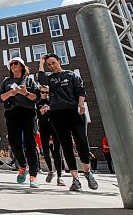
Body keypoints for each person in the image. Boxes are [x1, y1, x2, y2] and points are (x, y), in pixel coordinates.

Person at [38, 53, 99, 191]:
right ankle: (75, 179)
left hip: (74, 112)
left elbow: (80, 90)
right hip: (57, 115)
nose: (51, 66)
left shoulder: (70, 75)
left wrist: (81, 104)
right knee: (66, 146)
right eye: (49, 65)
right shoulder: (49, 79)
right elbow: (41, 80)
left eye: (53, 63)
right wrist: (41, 63)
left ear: (59, 61)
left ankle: (88, 173)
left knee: (81, 142)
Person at [0, 57, 40, 188]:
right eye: (11, 64)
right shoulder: (7, 81)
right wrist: (9, 93)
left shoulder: (29, 80)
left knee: (30, 144)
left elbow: (36, 97)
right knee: (14, 143)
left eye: (16, 63)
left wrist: (25, 93)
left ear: (21, 66)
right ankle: (23, 166)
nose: (13, 66)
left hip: (28, 113)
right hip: (12, 113)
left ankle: (33, 176)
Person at [37, 85, 65, 186]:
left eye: (47, 92)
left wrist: (51, 109)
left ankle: (59, 176)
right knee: (46, 151)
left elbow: (60, 113)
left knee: (57, 152)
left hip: (54, 128)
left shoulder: (53, 101)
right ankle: (50, 170)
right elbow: (35, 116)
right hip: (44, 128)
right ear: (40, 92)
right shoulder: (38, 103)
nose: (45, 94)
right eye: (43, 92)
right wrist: (40, 112)